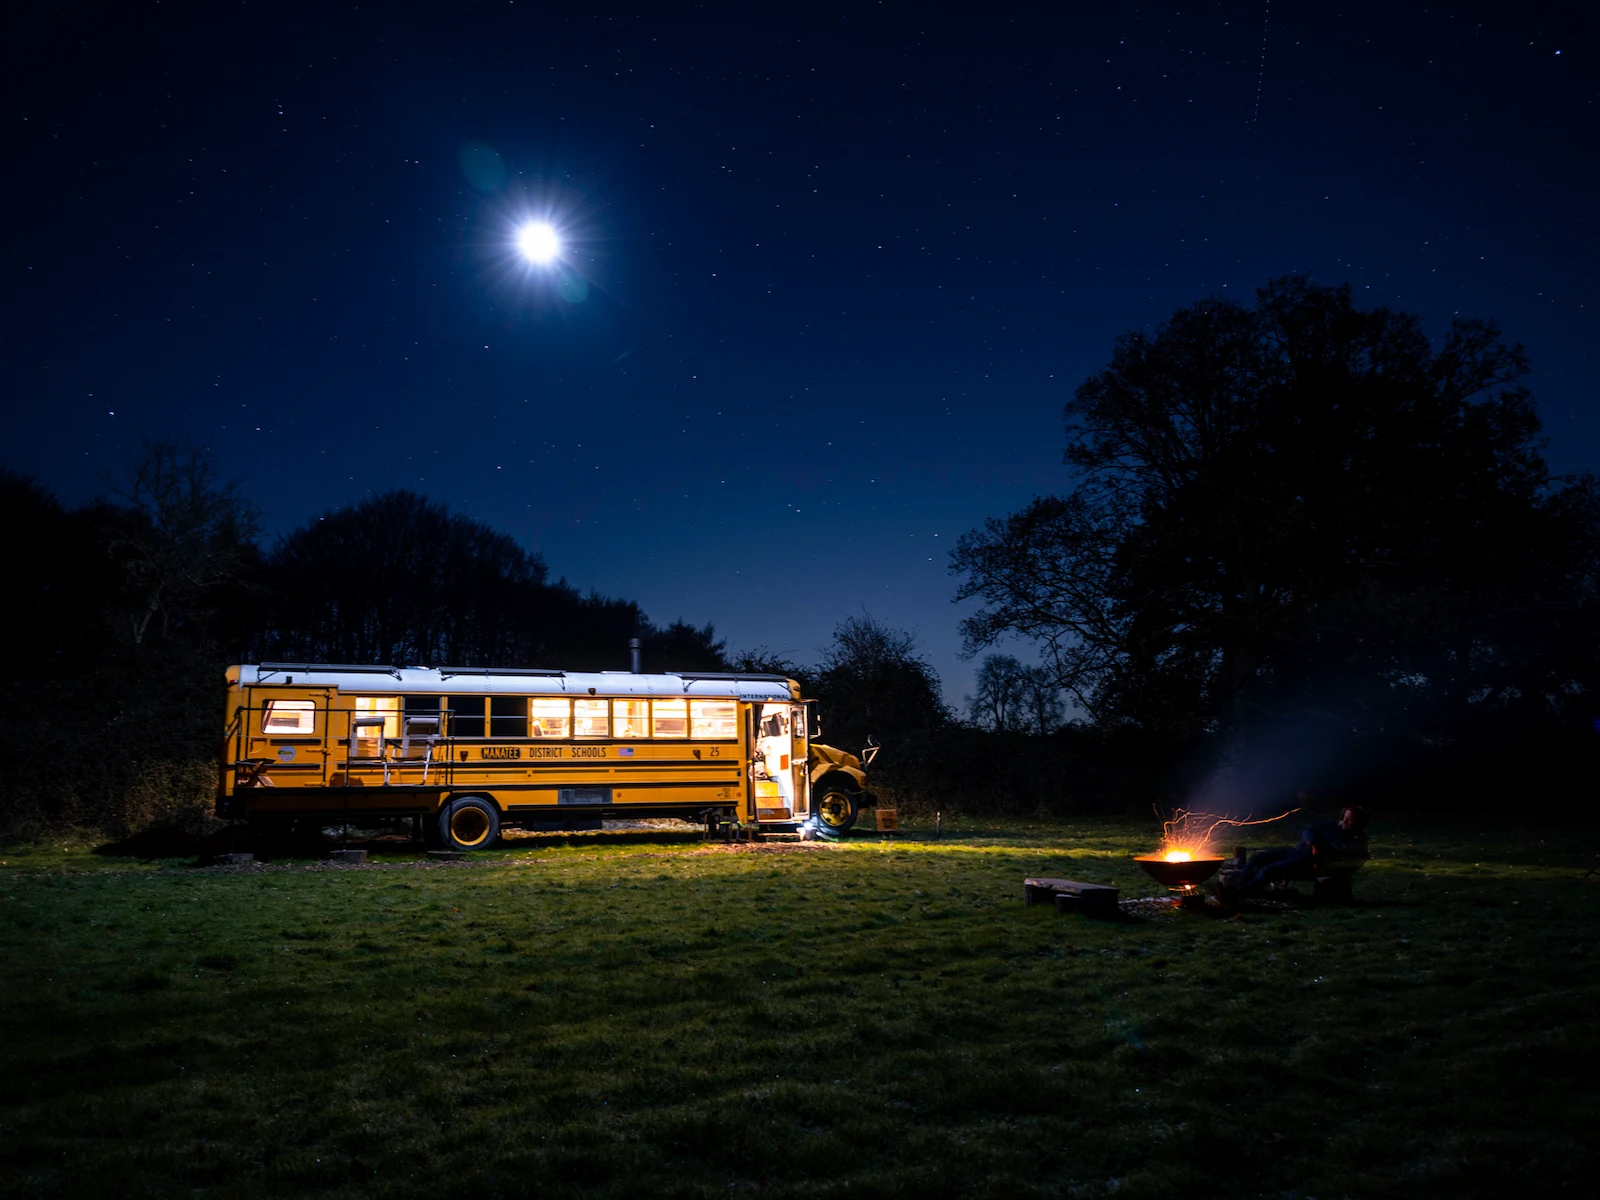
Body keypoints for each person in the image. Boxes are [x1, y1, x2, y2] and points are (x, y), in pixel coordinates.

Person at [1221, 805, 1369, 896]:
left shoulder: (1354, 840)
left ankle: (1243, 893)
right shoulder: (1332, 825)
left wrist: (1321, 855)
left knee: (1270, 870)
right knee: (1257, 857)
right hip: (1297, 852)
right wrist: (1314, 844)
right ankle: (1239, 885)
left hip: (1309, 864)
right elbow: (1309, 831)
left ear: (1359, 824)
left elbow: (1341, 857)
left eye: (1350, 820)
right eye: (1345, 818)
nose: (1345, 822)